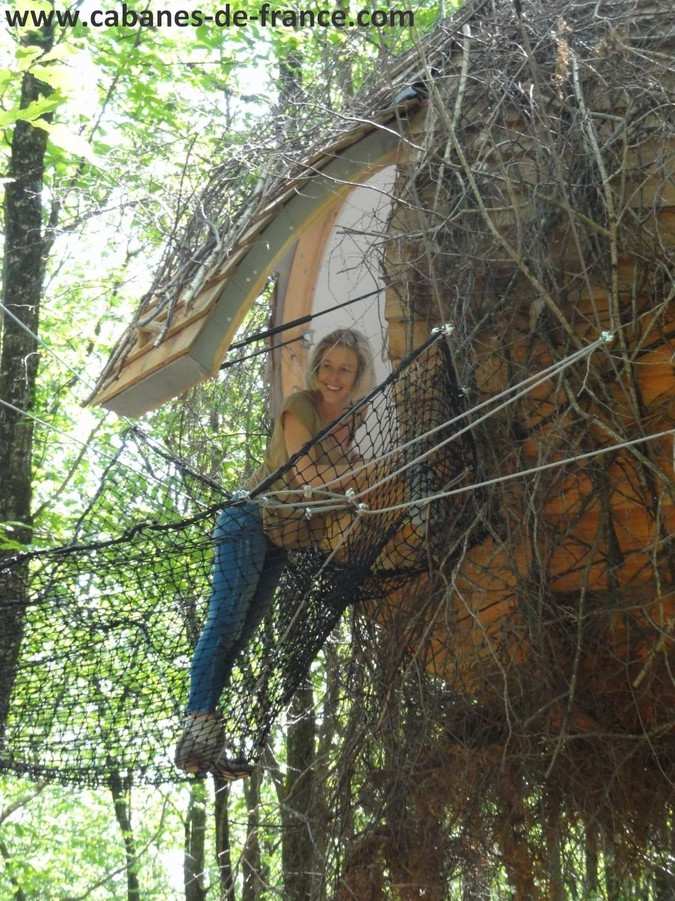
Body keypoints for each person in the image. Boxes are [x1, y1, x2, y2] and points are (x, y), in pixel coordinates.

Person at [175, 328, 374, 778]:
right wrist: (356, 471)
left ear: (358, 374)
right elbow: (305, 473)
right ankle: (196, 723)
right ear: (316, 368)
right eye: (327, 365)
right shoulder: (299, 405)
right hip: (250, 519)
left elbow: (334, 485)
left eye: (345, 368)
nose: (333, 376)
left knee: (241, 633)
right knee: (225, 622)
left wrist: (354, 475)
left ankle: (206, 741)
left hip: (283, 538)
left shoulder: (354, 419)